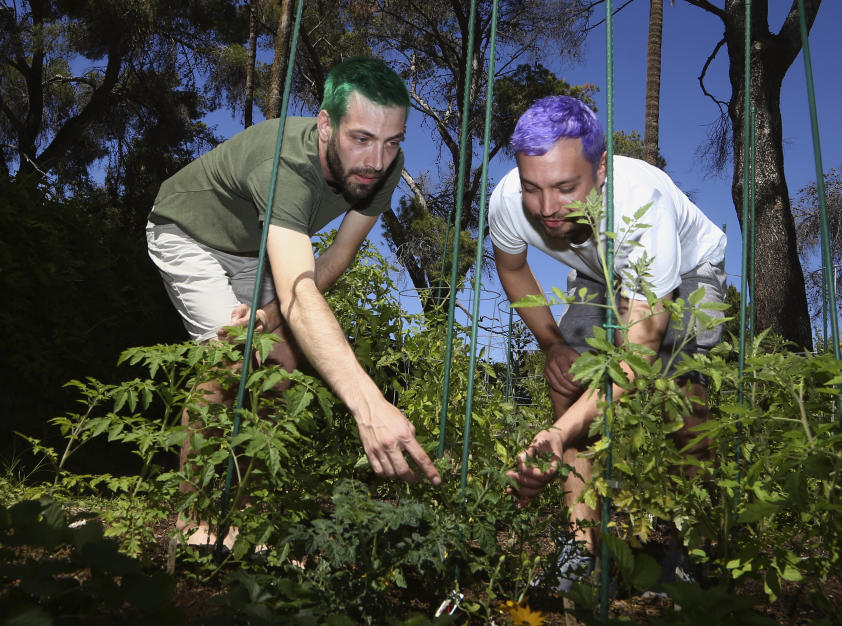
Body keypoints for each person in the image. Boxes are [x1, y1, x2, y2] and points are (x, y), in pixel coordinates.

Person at [146, 57, 441, 547]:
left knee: (278, 366)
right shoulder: (284, 162)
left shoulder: (384, 169)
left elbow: (337, 256)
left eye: (393, 141)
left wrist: (269, 316)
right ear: (325, 124)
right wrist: (368, 405)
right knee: (231, 358)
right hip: (189, 232)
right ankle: (195, 520)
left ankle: (250, 524)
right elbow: (301, 294)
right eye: (361, 138)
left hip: (260, 249)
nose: (377, 159)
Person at [488, 95, 726, 588]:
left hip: (684, 266)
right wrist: (553, 343)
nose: (548, 208)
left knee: (681, 396)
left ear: (600, 170)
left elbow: (637, 352)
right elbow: (511, 267)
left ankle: (695, 548)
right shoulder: (509, 200)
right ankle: (583, 551)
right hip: (599, 270)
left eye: (565, 187)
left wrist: (557, 434)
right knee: (569, 380)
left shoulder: (642, 203)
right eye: (534, 188)